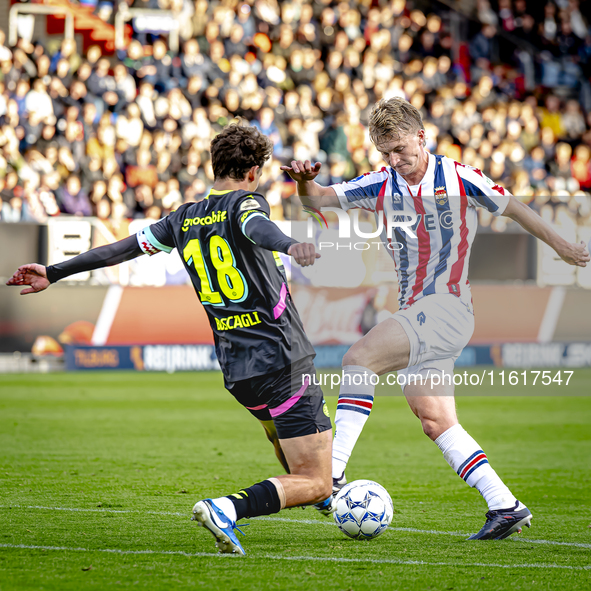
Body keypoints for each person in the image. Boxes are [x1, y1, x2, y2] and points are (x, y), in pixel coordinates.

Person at [7, 123, 332, 555]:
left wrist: (54, 271)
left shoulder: (183, 218)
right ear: (254, 172)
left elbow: (118, 249)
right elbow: (257, 227)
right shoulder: (248, 203)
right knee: (314, 477)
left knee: (283, 442)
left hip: (237, 368)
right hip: (281, 355)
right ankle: (232, 508)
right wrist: (291, 245)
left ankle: (326, 496)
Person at [281, 97, 590, 540]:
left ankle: (332, 474)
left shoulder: (459, 177)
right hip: (419, 311)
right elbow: (321, 202)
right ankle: (505, 505)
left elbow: (516, 208)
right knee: (434, 418)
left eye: (401, 149)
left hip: (446, 305)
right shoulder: (380, 183)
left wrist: (561, 245)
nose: (394, 159)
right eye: (385, 152)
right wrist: (304, 184)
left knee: (358, 359)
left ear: (422, 138)